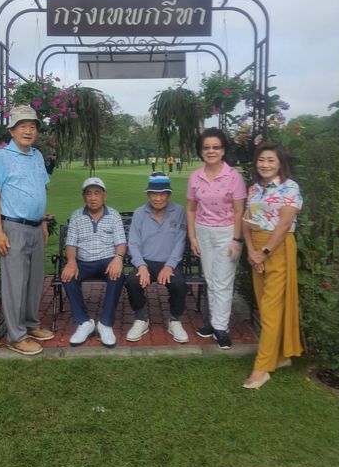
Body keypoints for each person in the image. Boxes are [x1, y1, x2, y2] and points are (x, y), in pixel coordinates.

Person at [0, 105, 54, 356]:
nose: (28, 131)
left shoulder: (36, 155)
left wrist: (45, 221)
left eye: (32, 126)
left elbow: (40, 190)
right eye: (22, 126)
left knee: (35, 281)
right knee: (15, 283)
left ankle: (31, 324)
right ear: (12, 131)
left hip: (37, 228)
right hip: (13, 227)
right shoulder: (0, 158)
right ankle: (16, 336)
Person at [242, 143, 303, 389]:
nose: (265, 165)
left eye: (271, 160)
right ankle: (280, 356)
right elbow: (246, 221)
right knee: (264, 303)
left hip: (277, 249)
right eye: (262, 160)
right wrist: (252, 252)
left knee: (270, 308)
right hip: (257, 250)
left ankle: (262, 366)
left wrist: (264, 253)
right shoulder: (254, 189)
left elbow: (284, 224)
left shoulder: (290, 187)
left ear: (280, 164)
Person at [186, 128, 246, 350]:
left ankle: (221, 328)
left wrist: (236, 240)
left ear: (223, 150)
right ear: (201, 151)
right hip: (203, 231)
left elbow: (240, 211)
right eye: (206, 147)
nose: (211, 151)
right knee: (211, 280)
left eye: (216, 147)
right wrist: (192, 236)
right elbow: (191, 209)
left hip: (227, 233)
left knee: (223, 282)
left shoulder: (233, 177)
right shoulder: (195, 177)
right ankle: (214, 323)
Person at [61, 177, 126, 348]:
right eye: (88, 194)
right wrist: (71, 262)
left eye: (97, 193)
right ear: (84, 197)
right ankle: (84, 322)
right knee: (67, 276)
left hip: (107, 260)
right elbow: (71, 243)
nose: (93, 197)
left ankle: (105, 323)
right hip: (83, 261)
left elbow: (120, 243)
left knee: (118, 276)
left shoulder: (114, 215)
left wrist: (118, 259)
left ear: (104, 196)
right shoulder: (76, 215)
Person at [125, 172, 189, 343]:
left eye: (162, 194)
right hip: (146, 262)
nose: (158, 198)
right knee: (132, 282)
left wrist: (169, 266)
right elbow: (133, 243)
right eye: (154, 193)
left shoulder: (179, 211)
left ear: (168, 194)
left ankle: (174, 319)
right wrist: (141, 266)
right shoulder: (140, 213)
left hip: (170, 261)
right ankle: (141, 318)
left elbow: (180, 241)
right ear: (148, 194)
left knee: (178, 284)